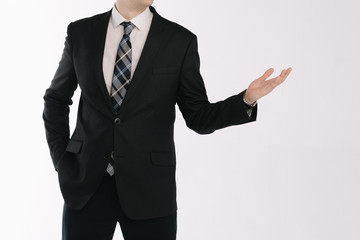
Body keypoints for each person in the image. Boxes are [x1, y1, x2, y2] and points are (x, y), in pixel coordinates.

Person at [43, 0, 292, 239]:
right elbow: (56, 99)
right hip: (86, 185)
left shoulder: (179, 41)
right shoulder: (81, 33)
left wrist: (246, 99)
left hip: (150, 191)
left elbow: (199, 117)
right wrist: (62, 160)